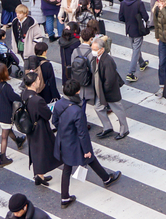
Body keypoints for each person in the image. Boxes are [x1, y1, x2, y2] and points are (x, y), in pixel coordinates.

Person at [52, 79, 121, 208]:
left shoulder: (59, 104)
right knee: (90, 158)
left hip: (63, 140)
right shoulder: (77, 111)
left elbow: (54, 121)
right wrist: (87, 150)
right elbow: (82, 133)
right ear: (76, 92)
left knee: (67, 169)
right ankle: (106, 179)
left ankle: (65, 197)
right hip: (75, 142)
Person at [21, 71, 61, 188]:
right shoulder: (37, 100)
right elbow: (47, 114)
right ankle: (39, 175)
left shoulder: (24, 94)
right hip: (40, 128)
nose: (39, 81)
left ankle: (39, 175)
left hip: (30, 125)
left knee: (36, 150)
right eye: (38, 80)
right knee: (43, 150)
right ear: (33, 83)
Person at [0, 62, 26, 167]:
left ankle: (18, 141)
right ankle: (3, 157)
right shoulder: (6, 87)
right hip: (5, 115)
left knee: (7, 131)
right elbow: (15, 98)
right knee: (4, 137)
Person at [91, 39, 129, 139]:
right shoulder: (97, 58)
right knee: (98, 107)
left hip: (109, 91)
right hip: (101, 90)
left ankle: (124, 130)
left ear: (102, 49)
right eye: (92, 49)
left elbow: (110, 80)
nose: (93, 51)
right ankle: (107, 127)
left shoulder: (107, 61)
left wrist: (104, 91)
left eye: (95, 49)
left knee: (118, 110)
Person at [118, 0, 150, 82]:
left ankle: (142, 63)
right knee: (136, 50)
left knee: (135, 47)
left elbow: (121, 17)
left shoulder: (123, 3)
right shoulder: (139, 3)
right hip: (138, 29)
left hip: (129, 28)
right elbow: (146, 17)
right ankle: (131, 72)